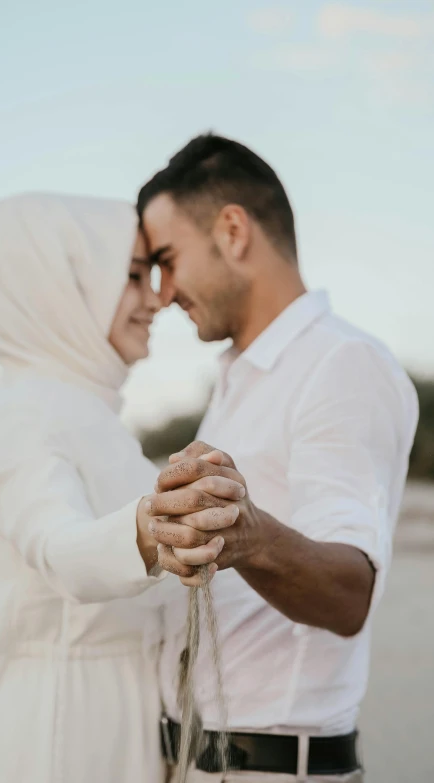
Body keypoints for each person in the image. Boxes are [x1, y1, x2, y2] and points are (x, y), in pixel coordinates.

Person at [0, 193, 238, 783]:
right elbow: (57, 545)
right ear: (60, 289)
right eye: (133, 277)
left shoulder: (92, 422)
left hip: (114, 731)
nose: (157, 299)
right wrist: (146, 533)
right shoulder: (12, 416)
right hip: (48, 739)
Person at [137, 134, 419, 782]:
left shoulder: (340, 364)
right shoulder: (241, 377)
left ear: (233, 230)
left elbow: (351, 594)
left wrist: (247, 536)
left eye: (168, 259)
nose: (162, 290)